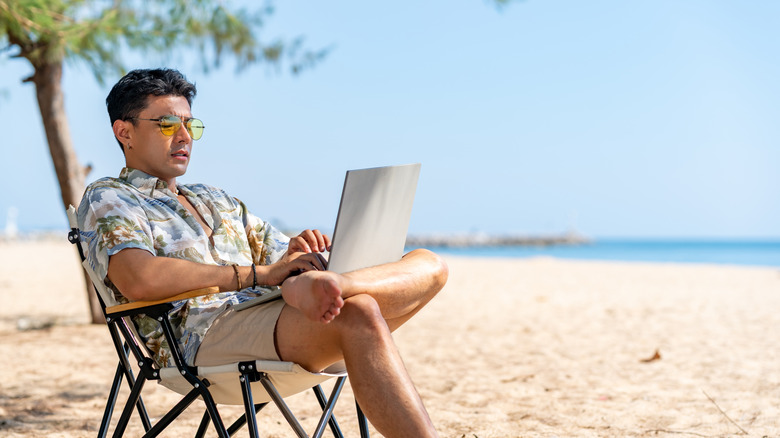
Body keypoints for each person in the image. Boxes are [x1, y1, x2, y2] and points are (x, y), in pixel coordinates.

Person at [77, 68, 448, 437]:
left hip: (268, 311)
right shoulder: (111, 196)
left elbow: (280, 257)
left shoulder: (214, 198)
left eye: (192, 125)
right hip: (198, 335)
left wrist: (304, 254)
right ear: (124, 131)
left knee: (431, 264)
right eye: (169, 124)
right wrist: (258, 276)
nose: (185, 136)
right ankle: (336, 286)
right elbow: (138, 278)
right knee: (360, 310)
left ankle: (338, 280)